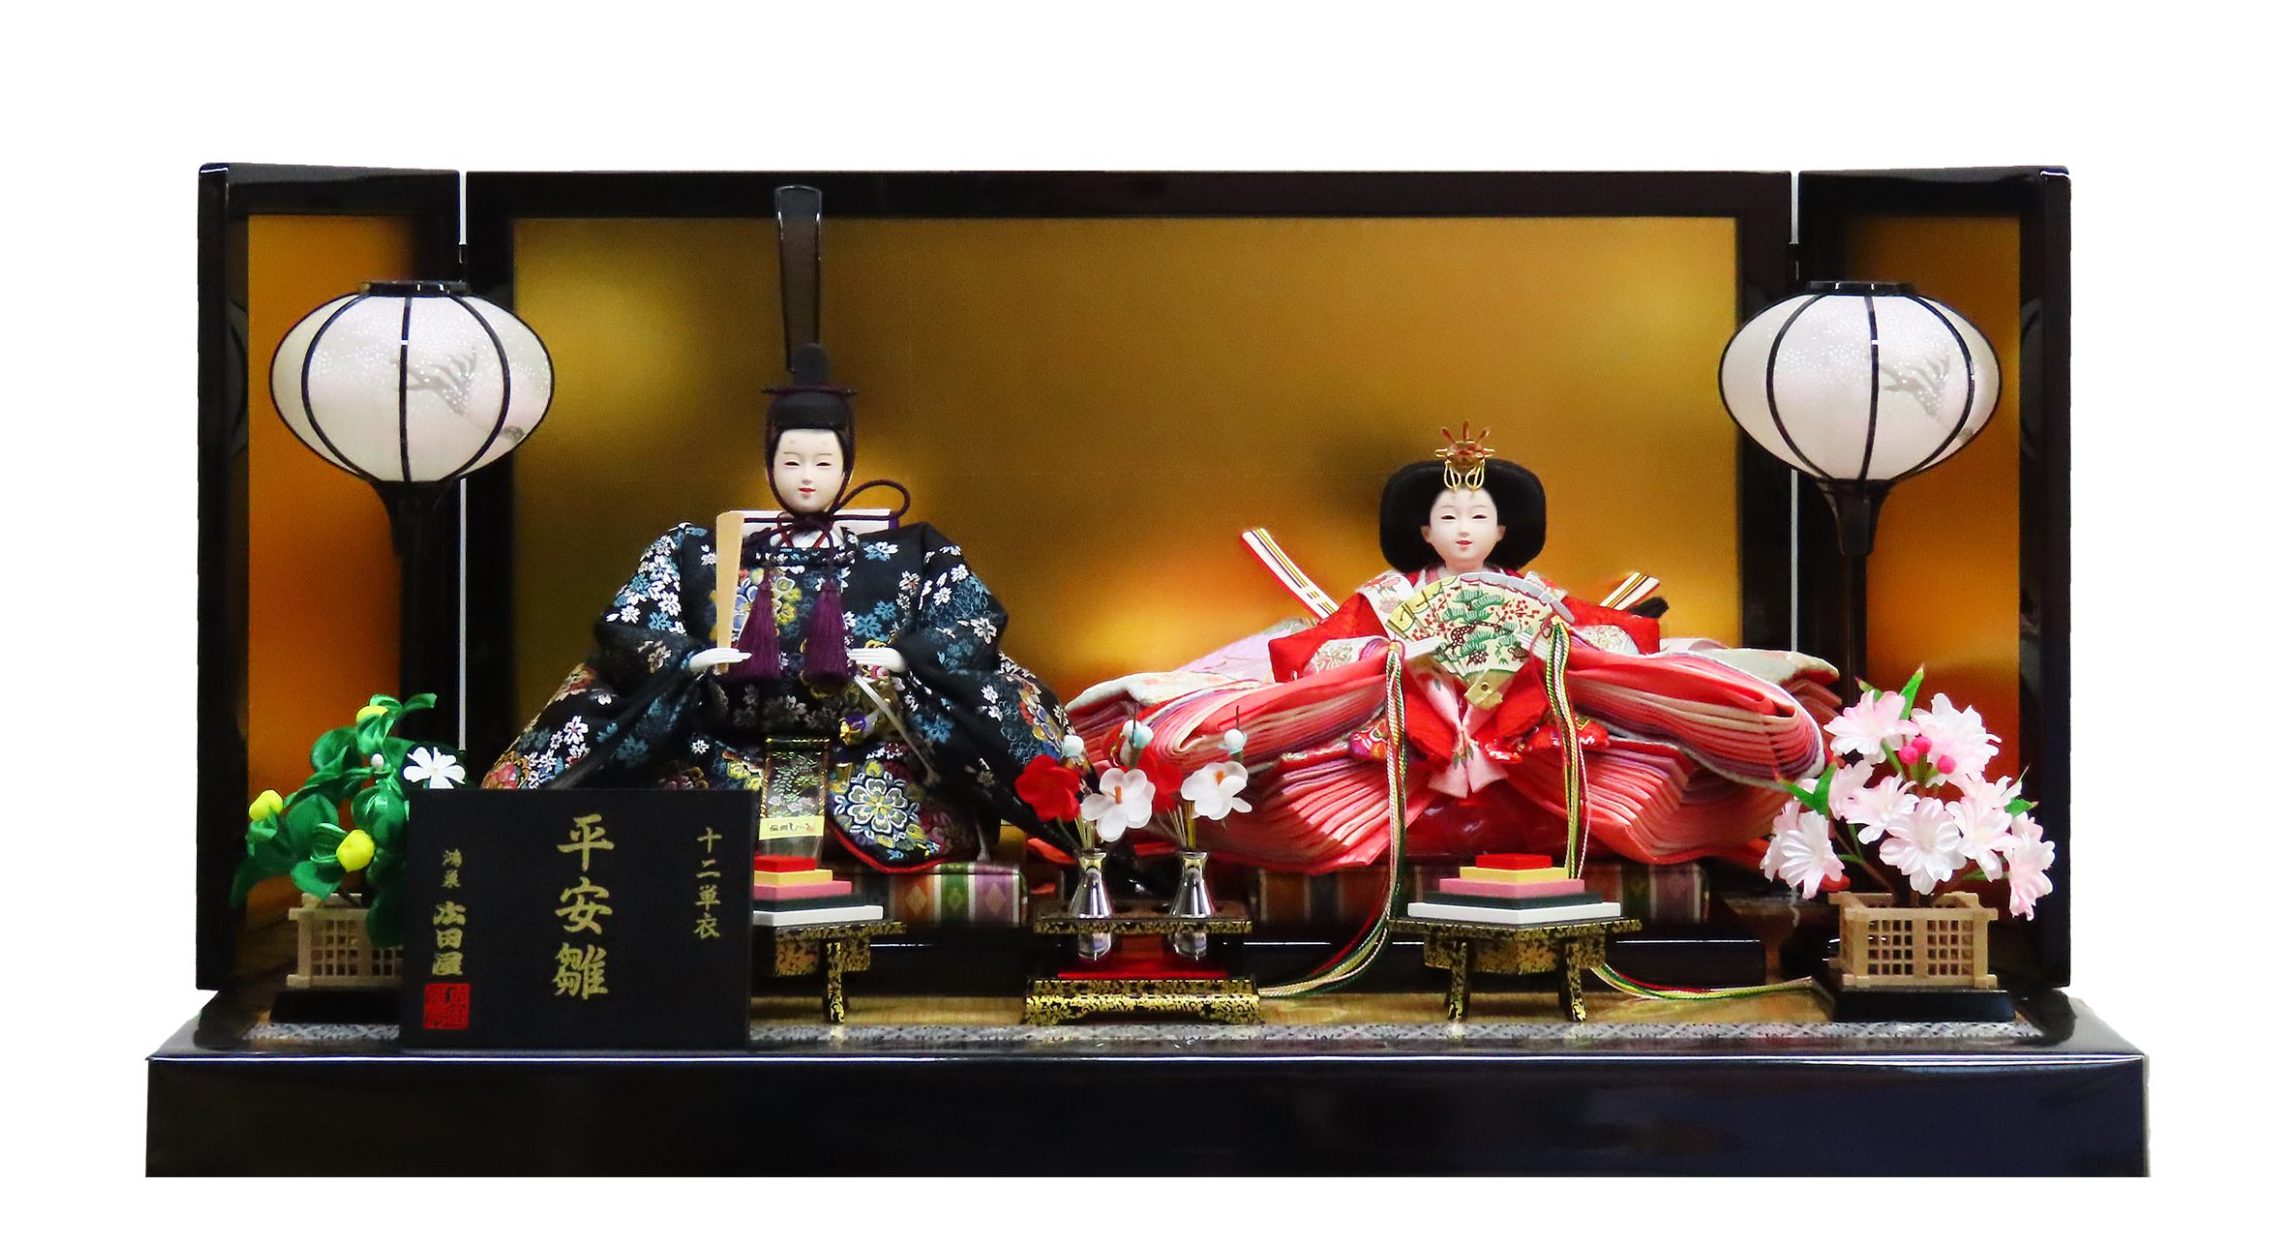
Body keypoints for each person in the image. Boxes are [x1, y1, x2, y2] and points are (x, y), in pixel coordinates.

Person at [1067, 427, 1837, 871]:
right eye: (1448, 517)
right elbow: (1321, 656)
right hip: (1407, 740)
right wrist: (1397, 664)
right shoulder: (1386, 598)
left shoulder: (1537, 596)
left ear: (1504, 530)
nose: (1464, 529)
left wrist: (1548, 661)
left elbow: (1606, 644)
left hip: (1534, 744)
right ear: (1423, 530)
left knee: (1626, 713)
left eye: (1479, 517)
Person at [483, 345, 1072, 871]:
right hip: (722, 761)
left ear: (848, 466)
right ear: (768, 465)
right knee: (615, 739)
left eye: (823, 463)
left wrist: (908, 657)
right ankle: (492, 829)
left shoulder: (913, 552)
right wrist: (685, 659)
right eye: (792, 462)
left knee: (992, 717)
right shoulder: (698, 550)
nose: (807, 478)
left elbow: (972, 621)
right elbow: (629, 626)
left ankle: (1089, 838)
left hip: (870, 763)